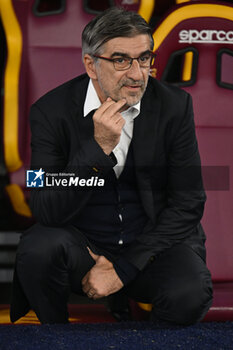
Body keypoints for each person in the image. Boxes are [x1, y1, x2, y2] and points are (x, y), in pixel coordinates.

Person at [10, 7, 213, 325]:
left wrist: (123, 268)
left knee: (190, 290)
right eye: (120, 60)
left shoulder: (174, 106)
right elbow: (44, 203)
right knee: (39, 249)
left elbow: (189, 201)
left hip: (149, 247)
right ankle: (54, 338)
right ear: (91, 64)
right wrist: (97, 151)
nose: (136, 74)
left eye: (144, 58)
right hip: (83, 247)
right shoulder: (49, 111)